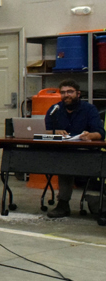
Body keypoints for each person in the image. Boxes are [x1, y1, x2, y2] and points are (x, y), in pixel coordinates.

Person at [44, 79, 105, 218]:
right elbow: (44, 130)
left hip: (86, 152)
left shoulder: (89, 109)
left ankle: (97, 202)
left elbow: (100, 133)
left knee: (69, 162)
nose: (66, 95)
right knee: (65, 161)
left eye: (70, 92)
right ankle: (63, 204)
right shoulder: (55, 109)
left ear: (78, 93)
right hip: (63, 151)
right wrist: (54, 132)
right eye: (63, 92)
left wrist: (90, 135)